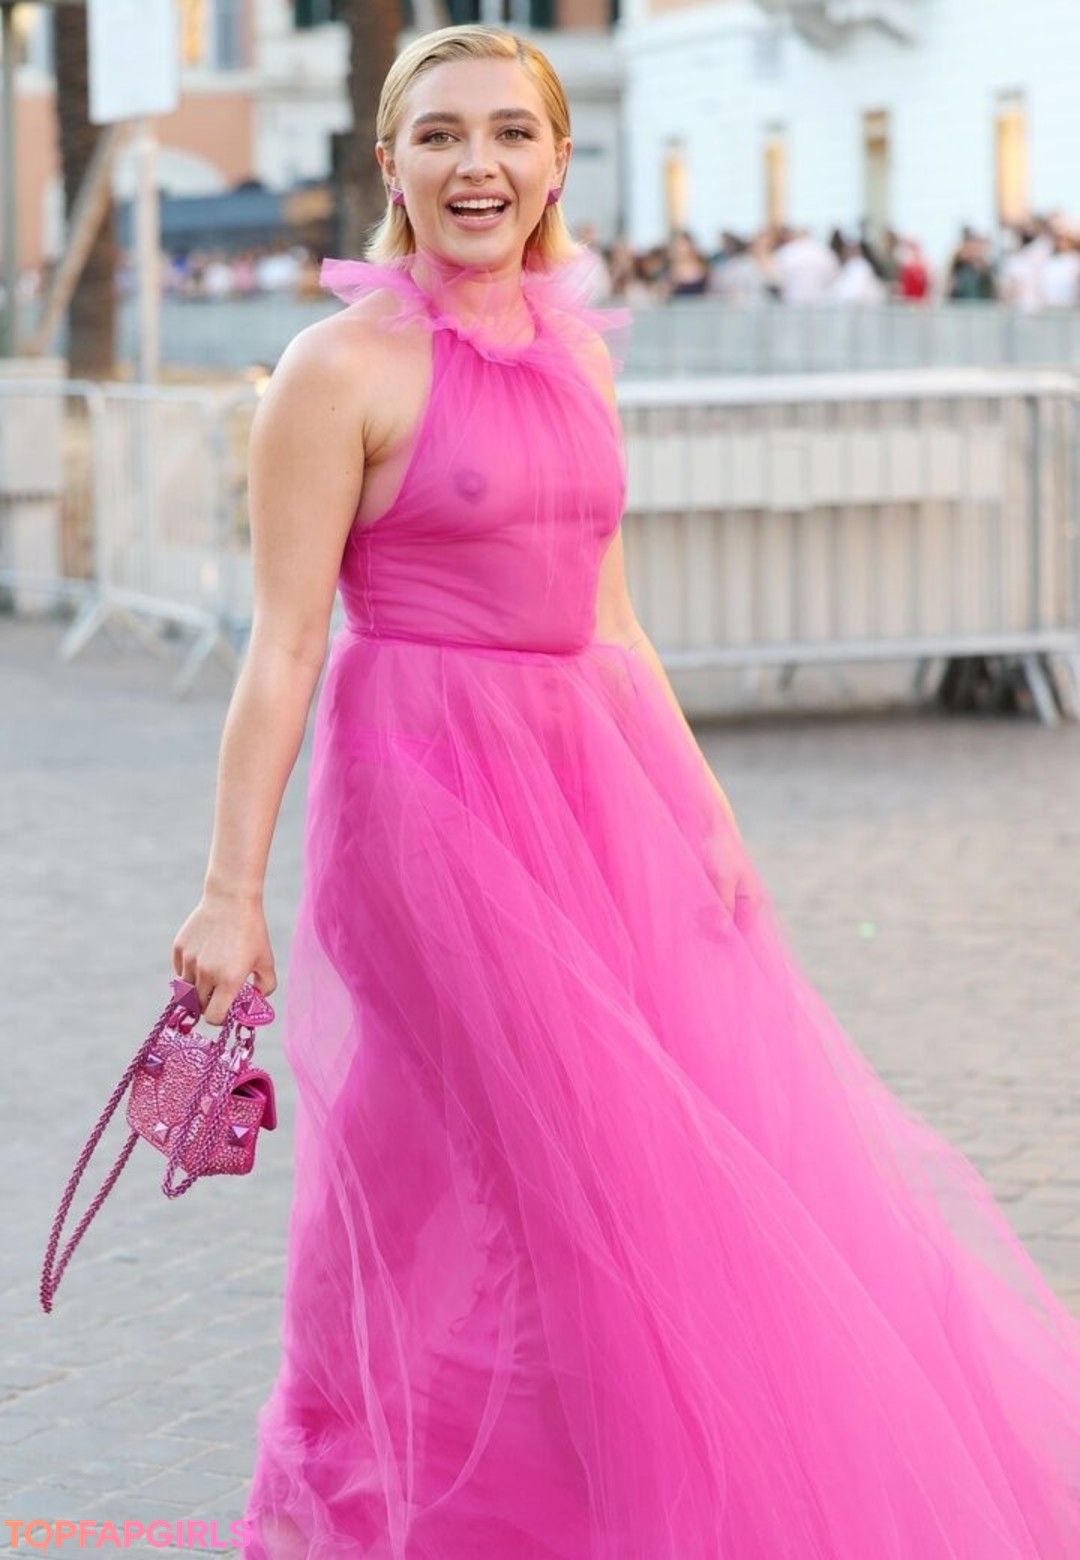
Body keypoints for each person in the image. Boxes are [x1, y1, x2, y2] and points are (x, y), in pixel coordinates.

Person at [172, 24, 1080, 1558]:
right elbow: (284, 646)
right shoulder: (339, 368)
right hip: (424, 810)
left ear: (557, 162)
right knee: (549, 1176)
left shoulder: (580, 350)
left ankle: (584, 1502)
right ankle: (440, 1513)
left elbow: (612, 617)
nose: (477, 164)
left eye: (509, 134)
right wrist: (228, 892)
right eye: (441, 135)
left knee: (603, 1174)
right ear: (390, 163)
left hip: (593, 796)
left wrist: (703, 811)